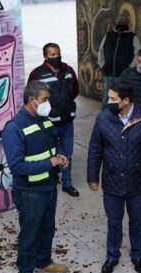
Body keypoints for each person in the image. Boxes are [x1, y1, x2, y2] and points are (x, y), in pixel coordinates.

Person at [87, 79, 141, 273]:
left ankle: (137, 254)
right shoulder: (103, 118)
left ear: (126, 100)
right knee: (114, 221)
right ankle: (112, 256)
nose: (108, 101)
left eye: (113, 98)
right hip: (112, 181)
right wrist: (92, 176)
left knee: (136, 220)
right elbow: (95, 149)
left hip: (138, 181)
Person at [2, 81, 69, 273]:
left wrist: (60, 155)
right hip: (30, 191)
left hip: (49, 186)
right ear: (32, 100)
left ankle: (44, 261)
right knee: (30, 232)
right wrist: (50, 163)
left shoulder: (45, 121)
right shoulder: (14, 128)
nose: (47, 104)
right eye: (45, 100)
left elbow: (54, 143)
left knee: (48, 228)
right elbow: (17, 166)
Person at [28, 42, 81, 197]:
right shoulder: (37, 74)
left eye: (57, 53)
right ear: (45, 56)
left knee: (68, 152)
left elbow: (75, 91)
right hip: (48, 122)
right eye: (52, 55)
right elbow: (32, 97)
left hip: (67, 120)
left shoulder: (69, 71)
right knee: (50, 152)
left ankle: (67, 183)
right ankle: (52, 177)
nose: (56, 57)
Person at [98, 14, 140, 109]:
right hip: (108, 74)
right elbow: (101, 50)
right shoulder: (108, 36)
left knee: (120, 97)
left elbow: (138, 53)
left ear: (127, 24)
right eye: (119, 22)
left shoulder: (132, 37)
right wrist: (103, 64)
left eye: (123, 22)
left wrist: (130, 68)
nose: (121, 24)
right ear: (116, 23)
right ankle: (104, 116)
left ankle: (118, 115)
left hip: (123, 75)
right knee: (107, 96)